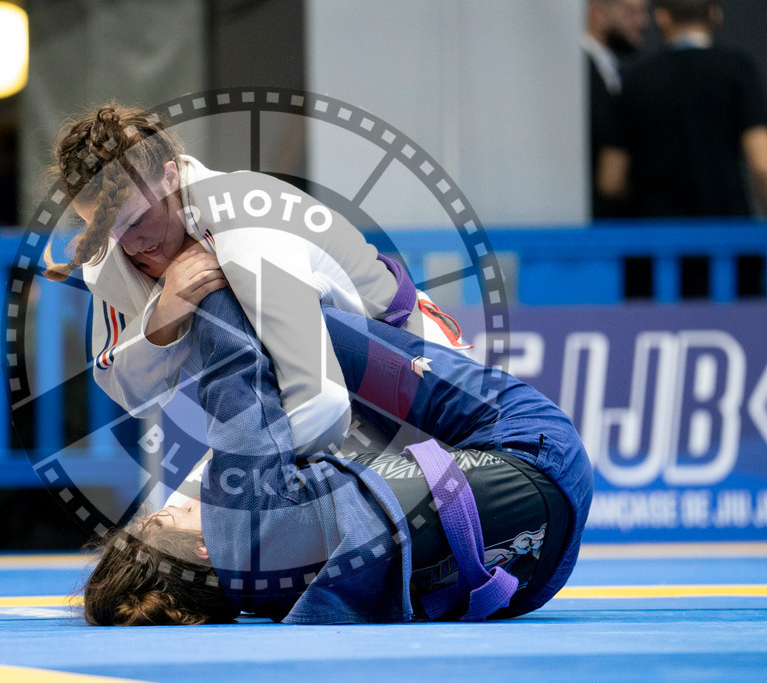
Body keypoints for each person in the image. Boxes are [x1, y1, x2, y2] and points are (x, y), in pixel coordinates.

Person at [82, 287, 593, 625]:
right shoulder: (239, 513)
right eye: (170, 515)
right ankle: (406, 305)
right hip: (541, 452)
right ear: (201, 554)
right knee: (297, 325)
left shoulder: (283, 604)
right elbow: (235, 355)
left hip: (531, 579)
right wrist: (198, 286)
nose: (179, 501)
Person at [44, 104, 470, 459]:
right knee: (173, 533)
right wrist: (164, 314)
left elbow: (321, 398)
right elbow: (130, 392)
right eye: (109, 231)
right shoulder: (108, 260)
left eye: (139, 218)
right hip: (287, 409)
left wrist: (244, 496)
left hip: (414, 377)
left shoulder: (244, 218)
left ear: (171, 176)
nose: (132, 245)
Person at [598, 0, 767, 299]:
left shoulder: (636, 79)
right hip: (728, 250)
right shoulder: (737, 70)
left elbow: (611, 181)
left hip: (654, 253)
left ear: (662, 18)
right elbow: (762, 163)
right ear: (715, 16)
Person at [585, 0, 649, 219]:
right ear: (598, 14)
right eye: (632, 13)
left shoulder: (620, 72)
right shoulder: (573, 73)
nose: (643, 22)